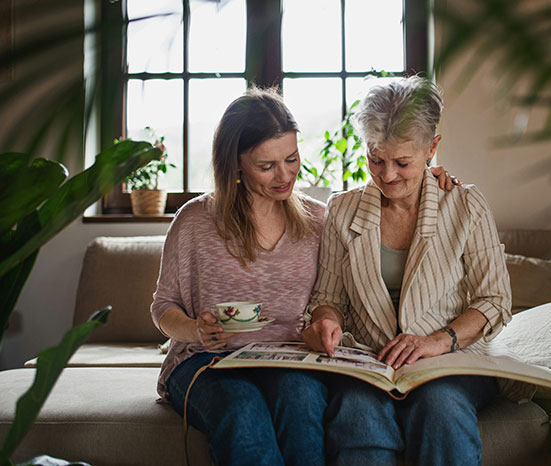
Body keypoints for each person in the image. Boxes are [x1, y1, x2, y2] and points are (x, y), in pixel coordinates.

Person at [150, 86, 460, 466]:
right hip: (206, 362)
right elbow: (163, 308)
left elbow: (388, 200)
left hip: (290, 360)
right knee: (242, 408)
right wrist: (196, 329)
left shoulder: (319, 221)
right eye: (266, 166)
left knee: (301, 399)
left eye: (291, 159)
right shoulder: (195, 222)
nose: (285, 176)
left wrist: (431, 175)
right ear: (235, 163)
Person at [302, 76, 512, 466]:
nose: (387, 176)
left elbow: (494, 301)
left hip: (452, 359)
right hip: (370, 362)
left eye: (403, 162)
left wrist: (435, 341)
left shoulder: (466, 205)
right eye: (375, 160)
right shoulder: (343, 211)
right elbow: (327, 299)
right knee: (358, 412)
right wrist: (326, 321)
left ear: (432, 148)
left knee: (441, 406)